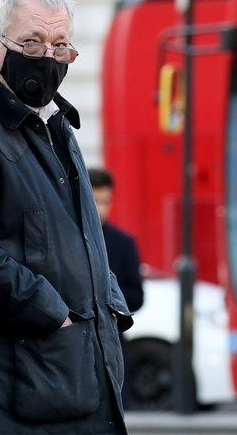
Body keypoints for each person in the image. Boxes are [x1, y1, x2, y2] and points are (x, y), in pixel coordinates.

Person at [0, 0, 133, 435]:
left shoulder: (53, 122)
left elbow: (78, 232)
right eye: (32, 43)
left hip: (70, 369)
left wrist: (108, 301)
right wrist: (53, 311)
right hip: (17, 380)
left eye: (60, 45)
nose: (48, 58)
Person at [88, 167, 144, 408]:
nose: (101, 208)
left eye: (106, 201)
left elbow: (136, 295)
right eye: (95, 200)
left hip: (112, 338)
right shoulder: (66, 237)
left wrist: (111, 303)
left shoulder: (123, 243)